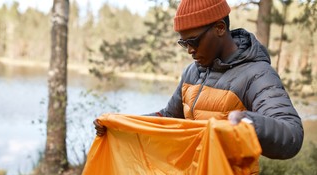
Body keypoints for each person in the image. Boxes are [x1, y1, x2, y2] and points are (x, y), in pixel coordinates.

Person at [94, 0, 304, 161]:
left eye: (193, 41)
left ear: (220, 28)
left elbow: (292, 134)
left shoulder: (257, 74)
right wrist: (121, 124)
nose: (190, 50)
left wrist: (248, 123)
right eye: (183, 43)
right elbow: (169, 117)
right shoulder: (192, 73)